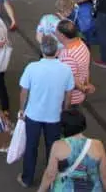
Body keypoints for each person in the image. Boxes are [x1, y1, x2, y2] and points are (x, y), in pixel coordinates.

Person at [18, 35, 75, 188]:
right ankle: (52, 180)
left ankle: (27, 178)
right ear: (57, 51)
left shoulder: (32, 68)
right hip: (54, 117)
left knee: (31, 147)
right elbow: (68, 94)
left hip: (33, 116)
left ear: (42, 51)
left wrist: (22, 109)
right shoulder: (66, 70)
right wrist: (65, 111)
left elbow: (24, 91)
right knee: (53, 148)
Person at [36, 109, 106, 192]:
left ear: (63, 128)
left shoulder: (58, 146)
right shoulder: (97, 145)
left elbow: (50, 175)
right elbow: (105, 175)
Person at [56, 20, 94, 108]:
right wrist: (86, 84)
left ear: (62, 35)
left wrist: (83, 88)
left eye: (56, 32)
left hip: (69, 99)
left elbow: (69, 81)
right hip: (78, 96)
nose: (55, 34)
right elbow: (85, 70)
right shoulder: (81, 44)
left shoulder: (68, 55)